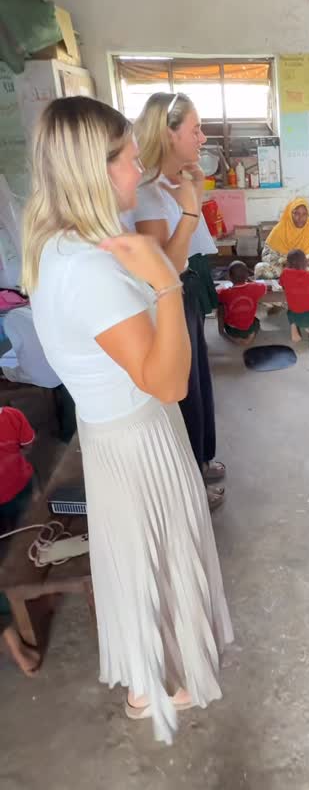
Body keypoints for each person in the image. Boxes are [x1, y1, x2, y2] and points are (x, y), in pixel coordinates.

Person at [24, 97, 233, 743]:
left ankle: (148, 682)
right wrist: (167, 287)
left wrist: (155, 271)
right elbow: (167, 379)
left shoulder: (69, 245)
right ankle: (165, 684)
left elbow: (138, 302)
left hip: (116, 428)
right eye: (126, 156)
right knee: (160, 559)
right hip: (139, 433)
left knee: (141, 561)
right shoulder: (87, 268)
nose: (137, 164)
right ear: (96, 168)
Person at [131, 92, 225, 506]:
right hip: (168, 298)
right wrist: (189, 213)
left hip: (184, 291)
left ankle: (201, 462)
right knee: (182, 391)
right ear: (168, 135)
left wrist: (194, 194)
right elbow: (160, 274)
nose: (202, 138)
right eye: (195, 129)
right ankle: (189, 486)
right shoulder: (150, 193)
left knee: (198, 383)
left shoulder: (178, 182)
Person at [0, 404, 39, 676]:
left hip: (13, 495)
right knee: (28, 534)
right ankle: (14, 641)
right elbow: (27, 446)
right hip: (19, 490)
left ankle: (14, 640)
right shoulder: (10, 416)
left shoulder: (11, 417)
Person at [254, 198, 309, 303]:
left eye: (304, 214)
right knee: (260, 268)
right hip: (286, 269)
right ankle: (279, 302)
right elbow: (266, 254)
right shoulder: (279, 229)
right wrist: (284, 261)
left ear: (308, 214)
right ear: (290, 213)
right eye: (296, 213)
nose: (300, 218)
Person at [217, 261, 267, 345]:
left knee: (220, 307)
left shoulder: (225, 292)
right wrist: (250, 281)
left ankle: (225, 334)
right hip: (249, 328)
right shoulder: (255, 288)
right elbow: (263, 286)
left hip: (232, 330)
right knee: (256, 322)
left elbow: (218, 294)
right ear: (247, 275)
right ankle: (250, 337)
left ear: (229, 277)